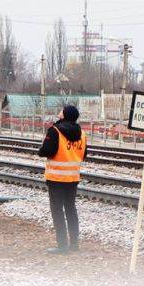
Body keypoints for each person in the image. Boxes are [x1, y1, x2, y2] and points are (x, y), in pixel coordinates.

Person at [38, 104, 86, 254]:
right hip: (72, 178)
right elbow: (83, 155)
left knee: (57, 211)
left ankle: (62, 245)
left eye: (61, 111)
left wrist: (44, 142)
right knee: (71, 210)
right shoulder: (82, 134)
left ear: (64, 115)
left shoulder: (55, 131)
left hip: (56, 178)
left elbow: (45, 151)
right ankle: (74, 244)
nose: (59, 113)